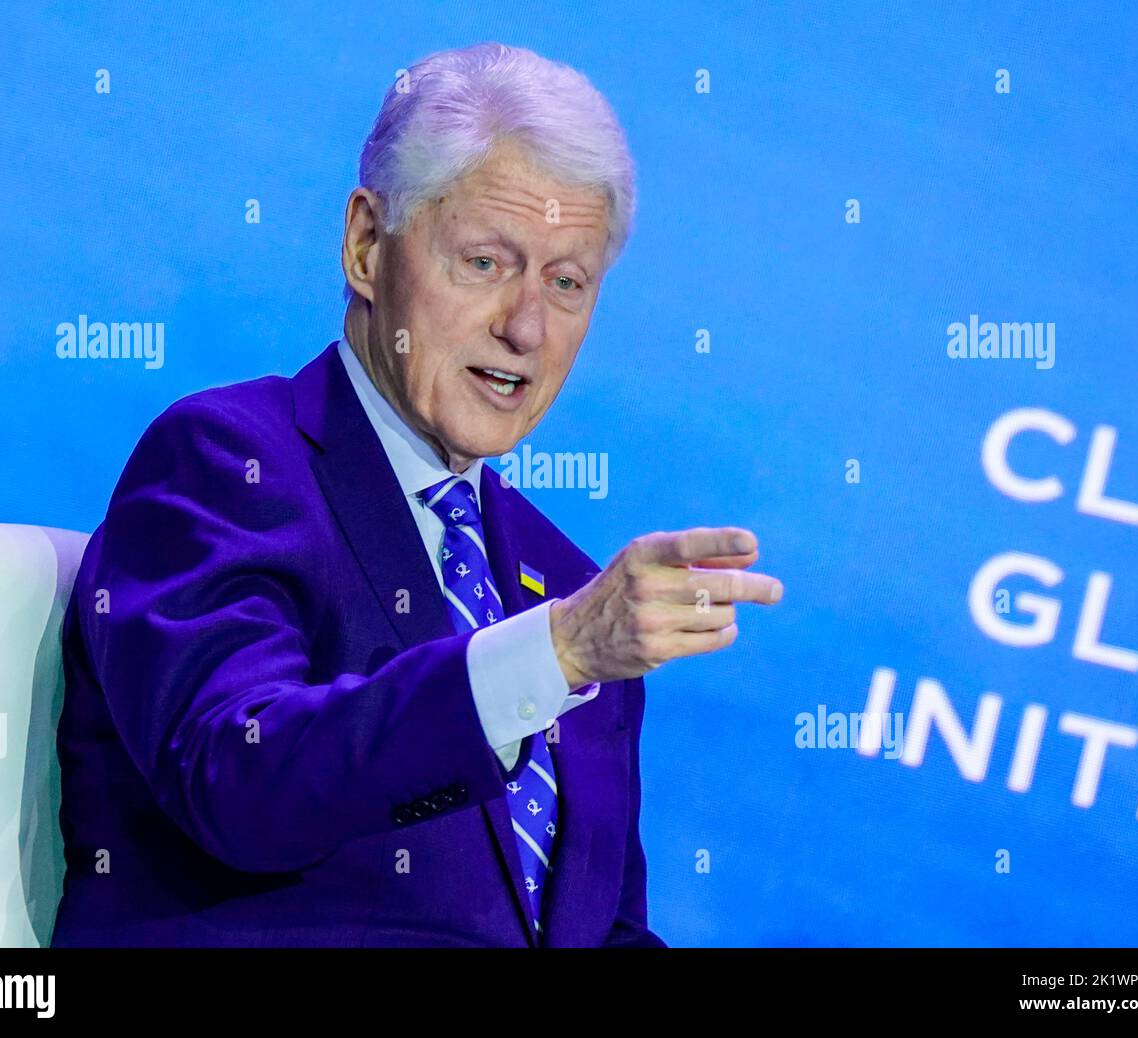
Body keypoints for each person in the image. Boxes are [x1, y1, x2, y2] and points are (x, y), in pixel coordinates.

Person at [51, 41, 782, 948]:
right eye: (485, 262)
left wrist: (563, 644)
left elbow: (601, 932)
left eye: (567, 282)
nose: (525, 326)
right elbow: (237, 781)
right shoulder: (228, 465)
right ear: (366, 245)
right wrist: (547, 657)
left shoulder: (568, 583)